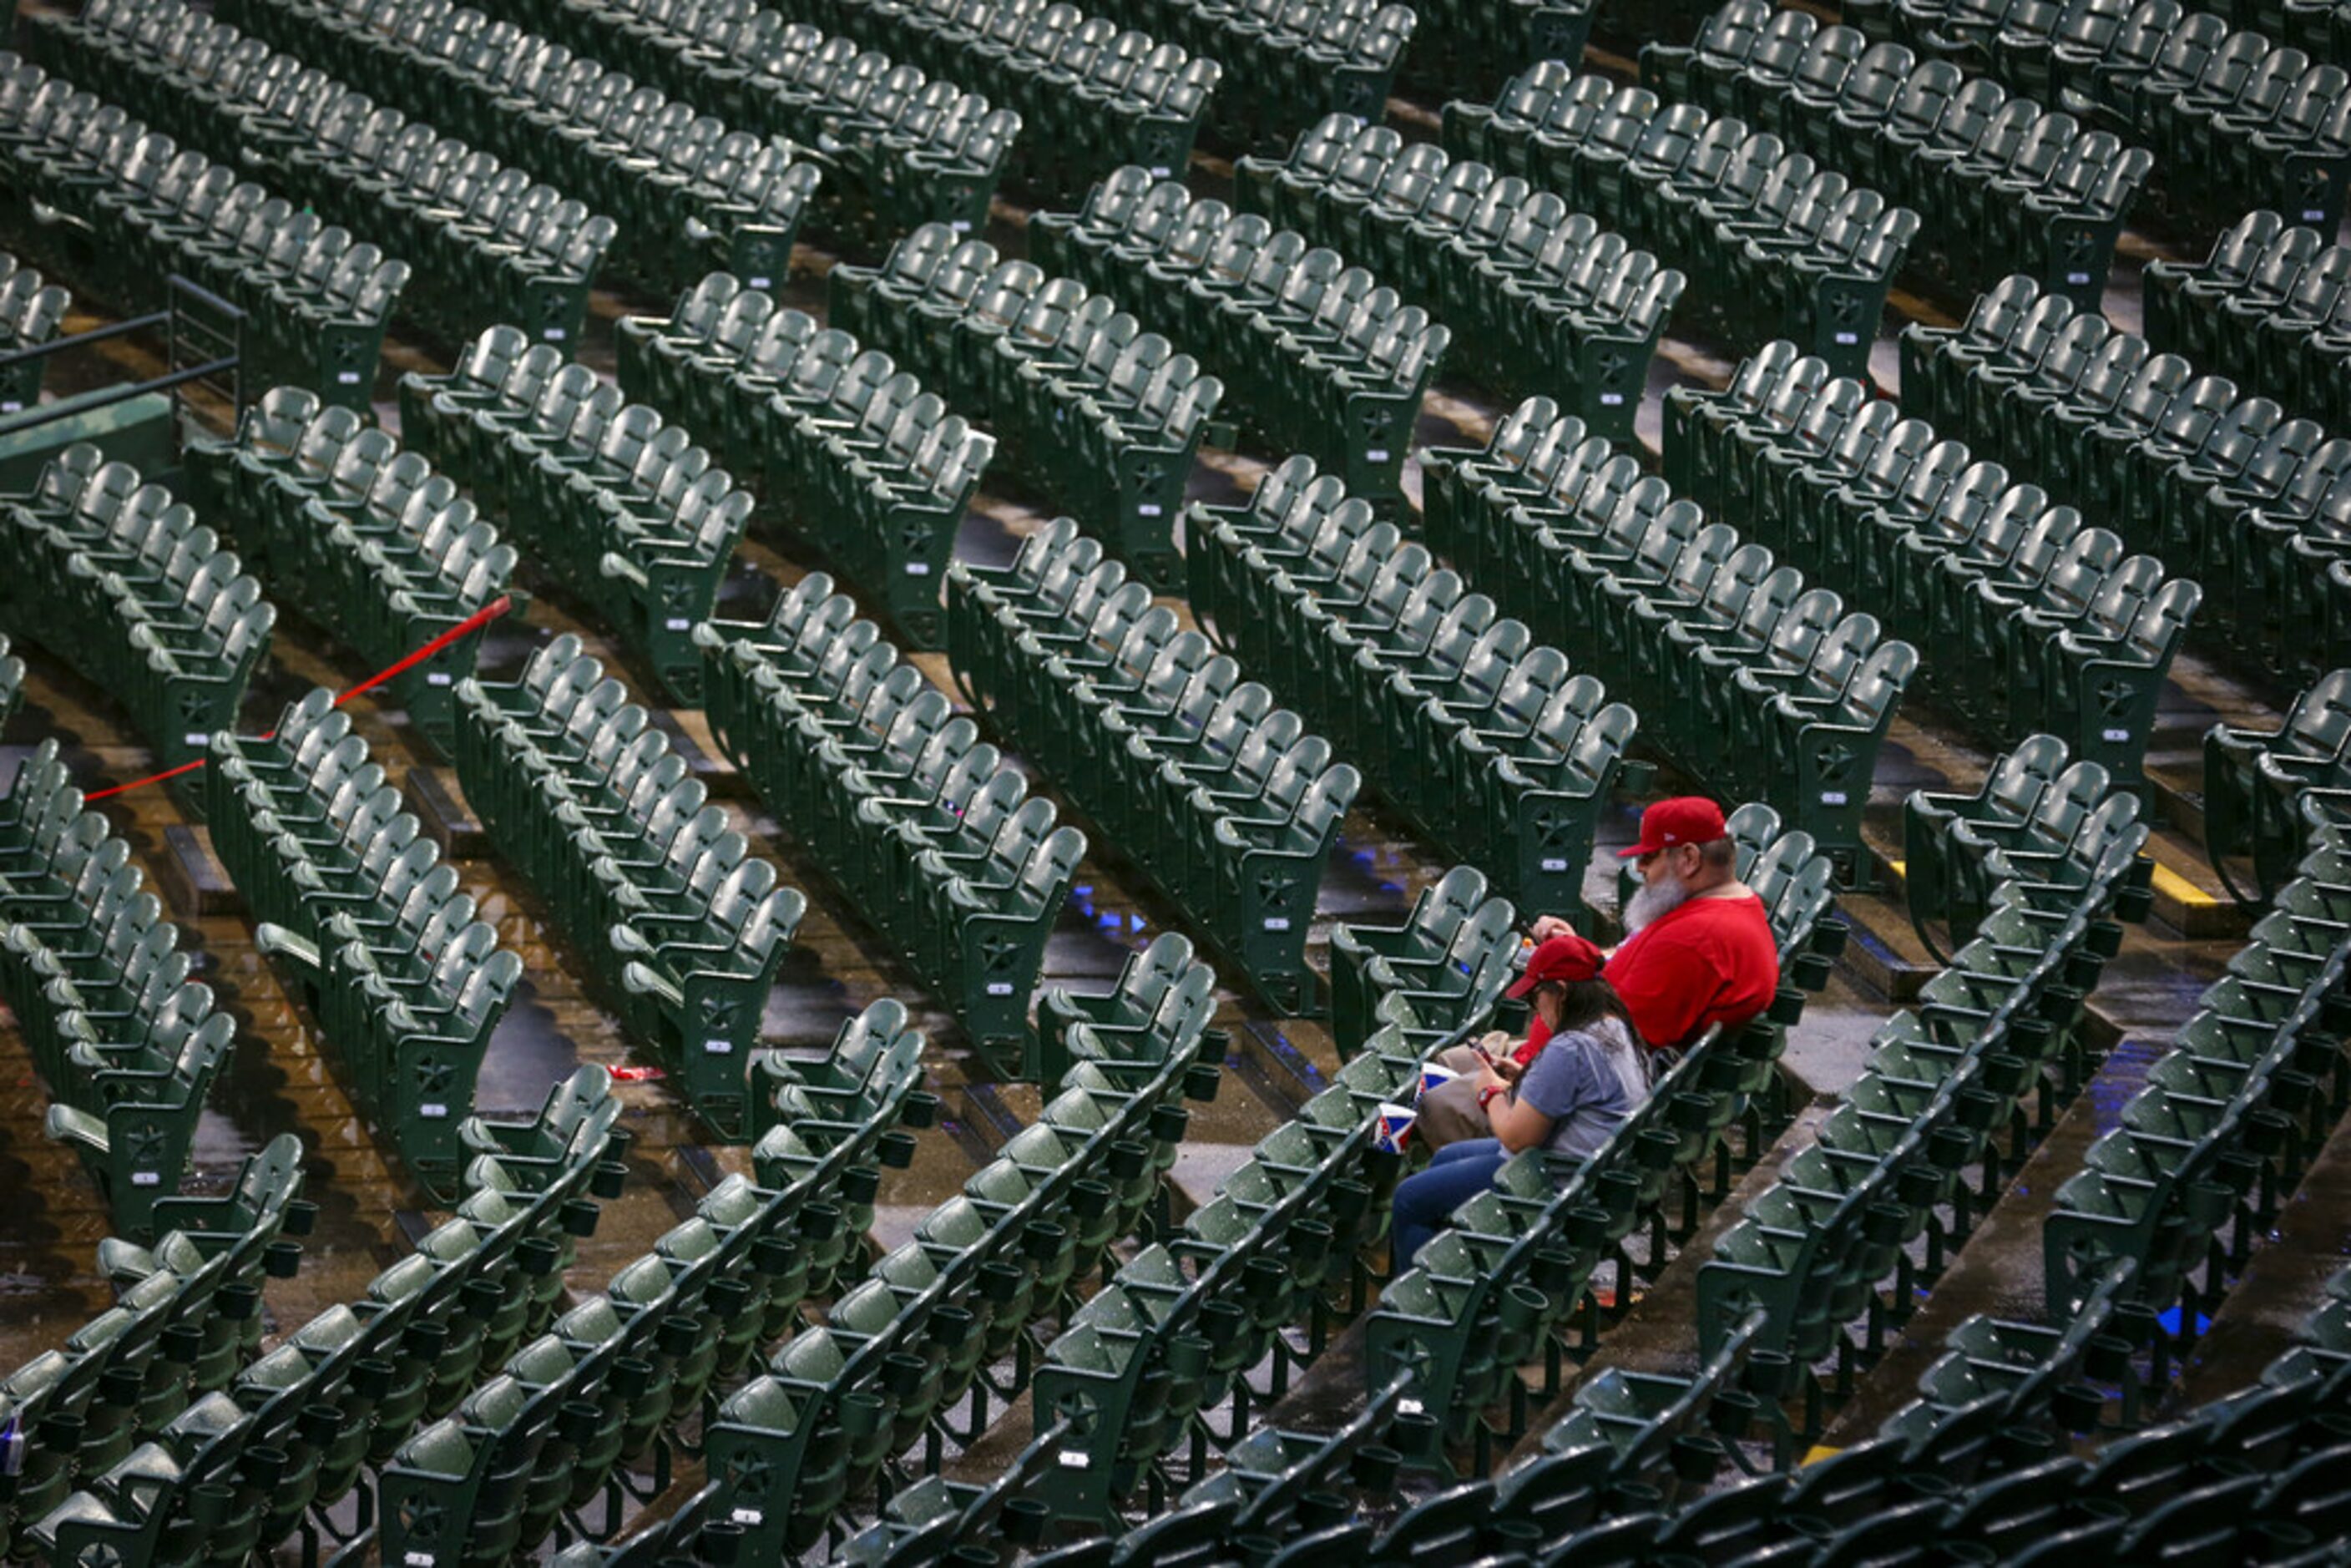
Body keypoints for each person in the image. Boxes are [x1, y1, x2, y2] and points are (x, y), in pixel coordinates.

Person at [1389, 933, 1650, 1270]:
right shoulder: (1612, 1024)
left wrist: (1489, 1091)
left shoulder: (1571, 1046)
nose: (1534, 1010)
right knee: (1445, 1156)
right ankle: (1450, 1270)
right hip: (1583, 1167)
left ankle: (1413, 1311)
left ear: (1562, 991)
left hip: (1557, 1181)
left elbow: (1515, 1137)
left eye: (1535, 997)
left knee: (1409, 1197)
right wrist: (1524, 1076)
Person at [1533, 797, 1780, 1053]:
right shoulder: (1720, 908)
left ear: (1690, 858)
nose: (1639, 868)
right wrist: (1577, 956)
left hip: (1575, 1077)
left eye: (1649, 857)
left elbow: (1607, 1044)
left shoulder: (1695, 939)